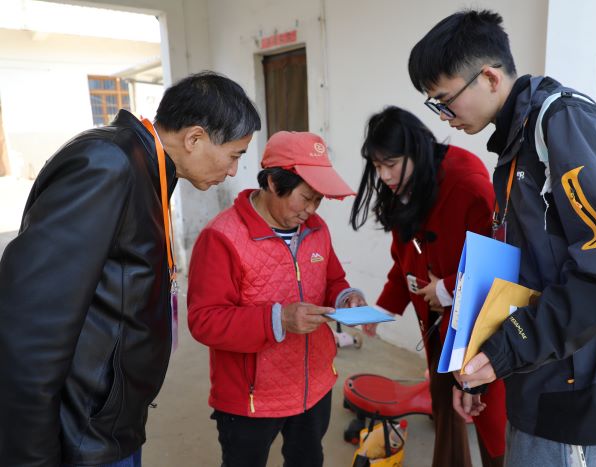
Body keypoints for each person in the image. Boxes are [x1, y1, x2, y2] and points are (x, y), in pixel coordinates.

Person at [408, 9, 596, 466]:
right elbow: (530, 273)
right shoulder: (515, 144)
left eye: (445, 101)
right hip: (548, 385)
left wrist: (509, 347)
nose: (445, 118)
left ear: (489, 77)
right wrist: (483, 360)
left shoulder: (563, 123)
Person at [0, 71, 260, 467]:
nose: (233, 170)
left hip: (109, 422)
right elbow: (32, 322)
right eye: (235, 155)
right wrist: (31, 456)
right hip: (83, 434)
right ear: (194, 138)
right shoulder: (108, 165)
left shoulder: (148, 167)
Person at [187, 130, 366, 467]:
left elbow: (333, 280)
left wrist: (346, 297)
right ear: (272, 182)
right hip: (251, 399)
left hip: (314, 386)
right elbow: (204, 320)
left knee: (308, 460)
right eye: (306, 197)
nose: (311, 210)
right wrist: (279, 319)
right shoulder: (222, 237)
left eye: (319, 200)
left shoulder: (317, 229)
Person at [350, 106, 505, 467]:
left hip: (479, 325)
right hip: (436, 324)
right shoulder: (402, 188)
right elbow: (404, 258)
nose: (384, 175)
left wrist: (447, 289)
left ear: (416, 151)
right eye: (377, 166)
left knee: (490, 417)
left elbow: (497, 262)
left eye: (391, 164)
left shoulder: (468, 186)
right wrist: (384, 309)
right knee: (445, 405)